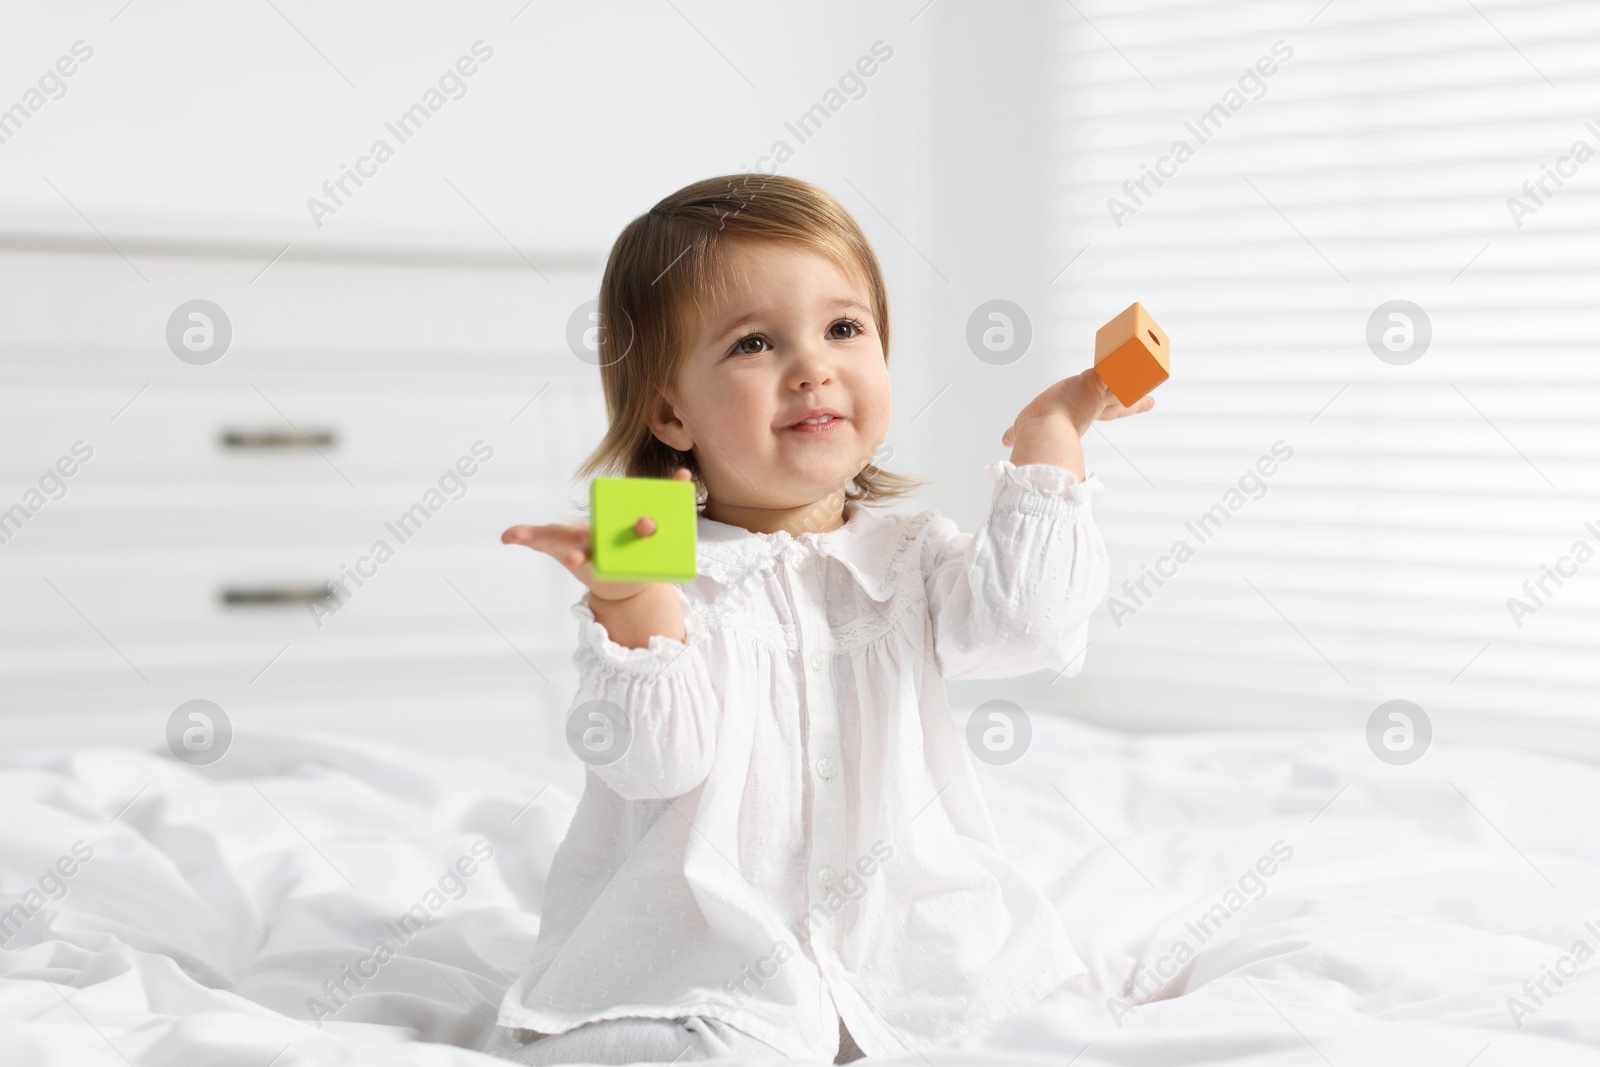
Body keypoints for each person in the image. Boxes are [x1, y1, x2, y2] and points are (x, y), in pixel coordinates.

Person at [496, 173, 1151, 1064]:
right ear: (669, 411)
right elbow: (656, 762)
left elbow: (1026, 626)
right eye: (755, 342)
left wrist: (1053, 432)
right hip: (710, 961)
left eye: (845, 328)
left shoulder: (909, 556)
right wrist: (633, 605)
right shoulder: (649, 553)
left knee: (1044, 1029)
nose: (814, 366)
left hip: (912, 953)